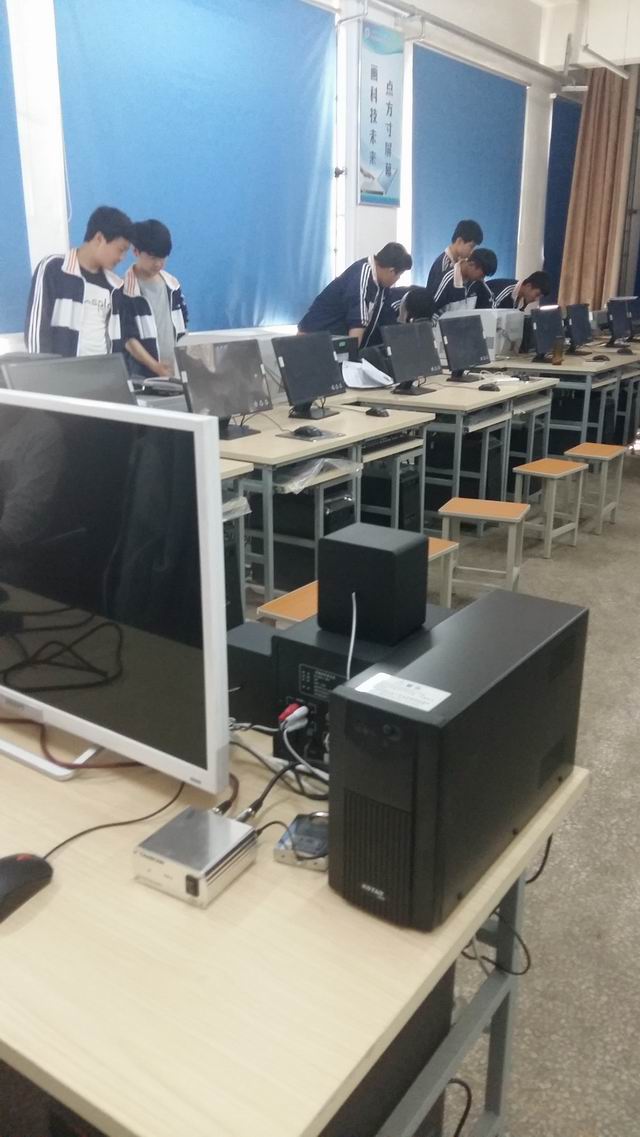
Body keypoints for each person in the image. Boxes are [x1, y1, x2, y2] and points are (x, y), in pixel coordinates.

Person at [25, 205, 132, 357]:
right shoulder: (54, 269)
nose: (122, 258)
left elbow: (115, 339)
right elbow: (36, 329)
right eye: (120, 250)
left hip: (102, 369)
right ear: (99, 238)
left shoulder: (114, 286)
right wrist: (43, 368)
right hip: (62, 370)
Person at [298, 243, 413, 349]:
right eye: (399, 275)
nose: (397, 279)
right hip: (313, 340)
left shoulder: (381, 285)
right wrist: (352, 359)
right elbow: (357, 324)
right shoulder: (362, 275)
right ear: (391, 271)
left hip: (331, 342)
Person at [123, 219, 188, 380]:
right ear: (136, 251)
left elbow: (183, 326)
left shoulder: (173, 285)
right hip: (142, 377)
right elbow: (128, 340)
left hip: (175, 372)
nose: (158, 264)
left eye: (163, 257)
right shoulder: (124, 291)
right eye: (152, 257)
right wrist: (156, 367)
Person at [420, 247, 498, 318]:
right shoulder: (447, 280)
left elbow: (491, 306)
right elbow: (429, 311)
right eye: (482, 275)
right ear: (472, 264)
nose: (482, 279)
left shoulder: (477, 283)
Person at [425, 219, 484, 300]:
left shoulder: (461, 262)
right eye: (471, 246)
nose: (472, 252)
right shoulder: (444, 264)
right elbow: (434, 300)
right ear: (459, 241)